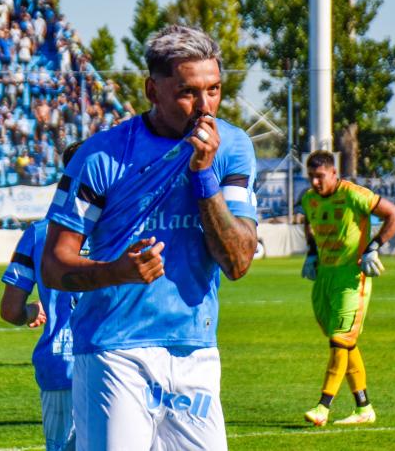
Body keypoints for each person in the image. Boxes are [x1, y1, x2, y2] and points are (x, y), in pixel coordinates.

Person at [41, 25, 258, 450]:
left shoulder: (231, 147)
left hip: (195, 349)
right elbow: (53, 265)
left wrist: (203, 174)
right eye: (188, 92)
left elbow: (237, 262)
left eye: (213, 90)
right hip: (113, 351)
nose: (204, 107)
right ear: (151, 90)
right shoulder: (102, 155)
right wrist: (118, 271)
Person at [299, 150, 395, 426]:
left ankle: (323, 407)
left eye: (320, 177)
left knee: (339, 342)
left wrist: (373, 247)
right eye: (311, 177)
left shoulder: (354, 194)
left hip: (351, 279)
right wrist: (311, 253)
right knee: (345, 344)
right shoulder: (309, 200)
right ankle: (364, 407)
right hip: (324, 281)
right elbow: (308, 223)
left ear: (334, 173)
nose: (315, 183)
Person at [0, 143, 83, 451]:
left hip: (61, 360)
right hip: (115, 359)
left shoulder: (39, 232)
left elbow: (10, 309)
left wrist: (30, 312)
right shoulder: (120, 229)